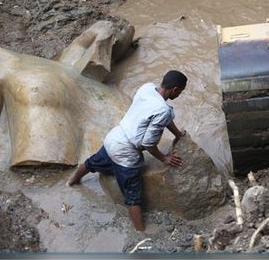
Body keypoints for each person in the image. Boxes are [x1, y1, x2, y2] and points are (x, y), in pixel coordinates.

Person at [66, 70, 188, 231]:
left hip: (114, 136)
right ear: (174, 89)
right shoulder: (163, 110)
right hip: (125, 151)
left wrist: (178, 134)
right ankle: (141, 234)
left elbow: (162, 118)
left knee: (92, 163)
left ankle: (71, 182)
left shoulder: (147, 88)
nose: (180, 94)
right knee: (133, 197)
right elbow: (149, 143)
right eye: (180, 91)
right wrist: (163, 158)